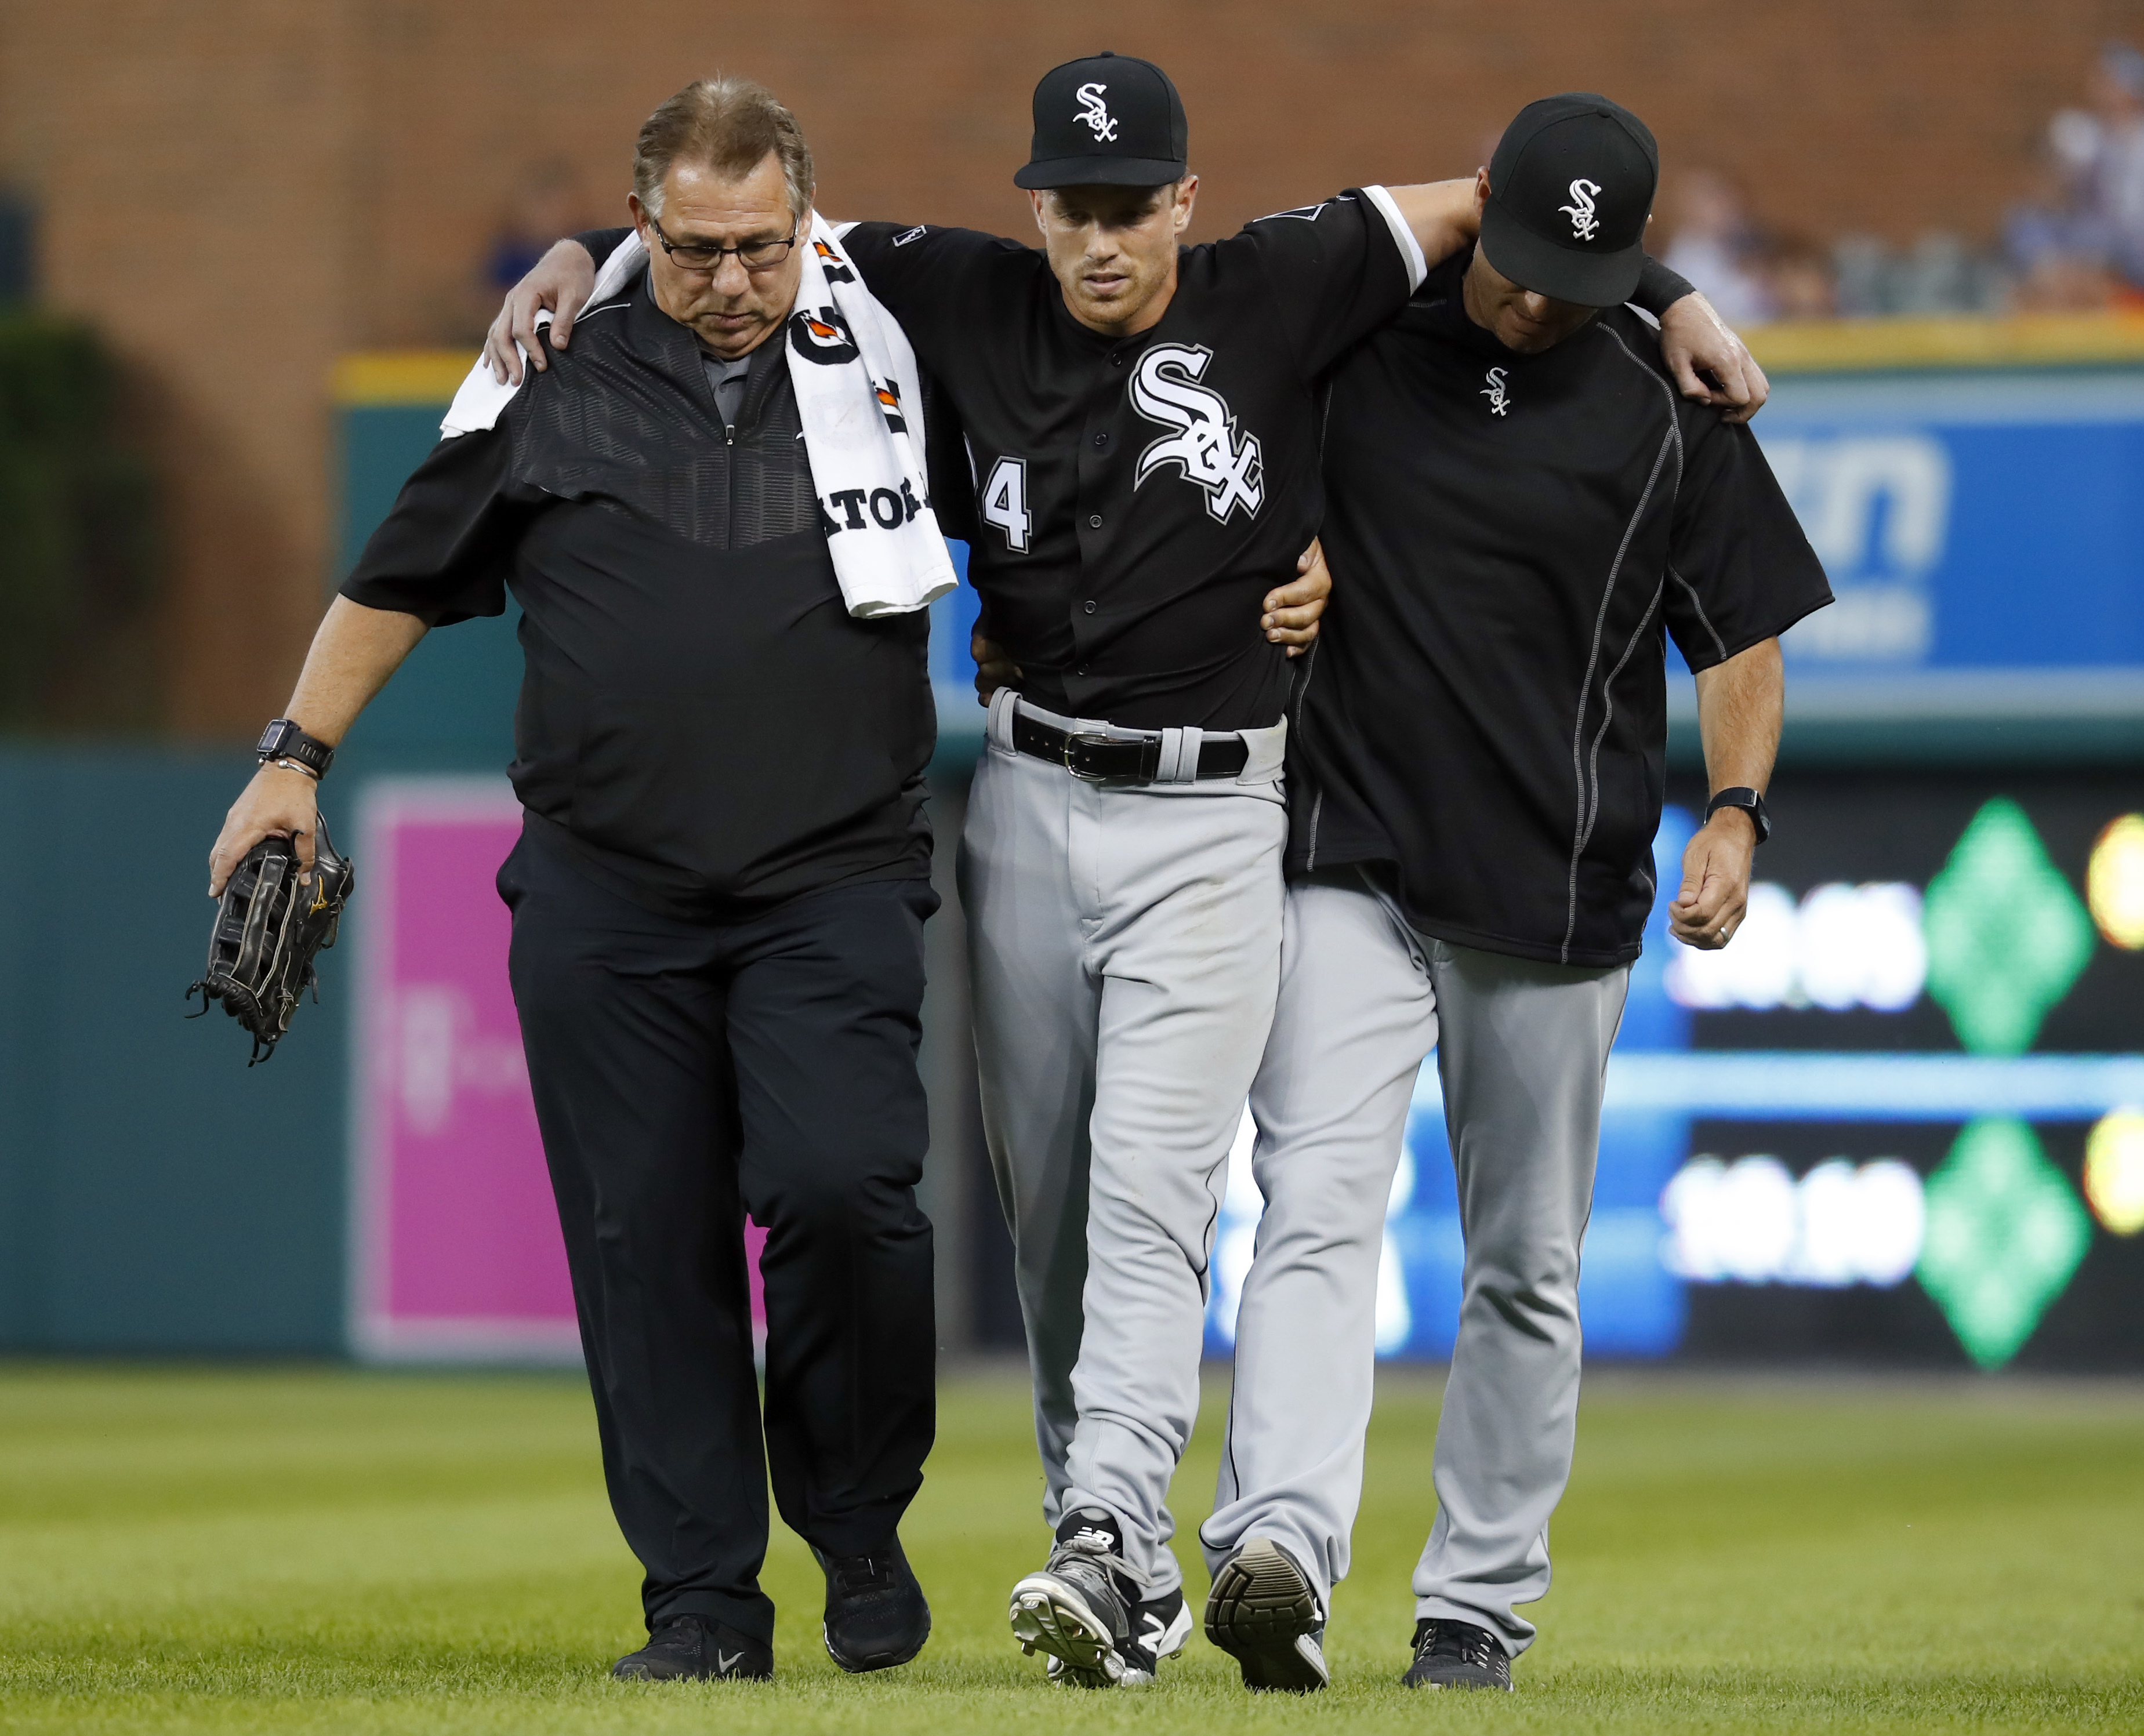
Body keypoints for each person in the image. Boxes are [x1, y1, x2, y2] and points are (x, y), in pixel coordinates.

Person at [491, 53, 1767, 1693]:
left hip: (1223, 811)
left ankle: (1109, 1529)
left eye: (1130, 205)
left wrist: (1660, 291)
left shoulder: (1289, 276)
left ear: (1185, 195)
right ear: (1036, 204)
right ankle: (1113, 1561)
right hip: (1023, 786)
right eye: (1071, 207)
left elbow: (1496, 199)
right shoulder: (953, 289)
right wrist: (574, 264)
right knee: (1054, 1227)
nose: (1100, 240)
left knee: (1160, 1191)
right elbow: (748, 228)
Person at [212, 77, 971, 1686]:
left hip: (827, 872)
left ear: (802, 222)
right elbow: (396, 577)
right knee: (644, 1242)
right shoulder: (543, 377)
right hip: (606, 891)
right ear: (645, 230)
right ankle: (700, 1600)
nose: (731, 281)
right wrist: (291, 757)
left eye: (760, 246)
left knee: (846, 1187)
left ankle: (853, 1513)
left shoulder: (905, 344)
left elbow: (1084, 457)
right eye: (696, 249)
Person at [1205, 93, 1833, 1692]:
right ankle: (1274, 1538)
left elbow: (1741, 636)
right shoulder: (1363, 318)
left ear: (1625, 258)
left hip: (1554, 884)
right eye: (1519, 254)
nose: (1536, 294)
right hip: (1352, 847)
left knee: (1525, 1263)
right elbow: (1225, 307)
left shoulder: (1660, 389)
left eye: (1582, 268)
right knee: (1313, 1203)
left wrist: (1740, 809)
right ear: (1476, 205)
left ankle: (1472, 1602)